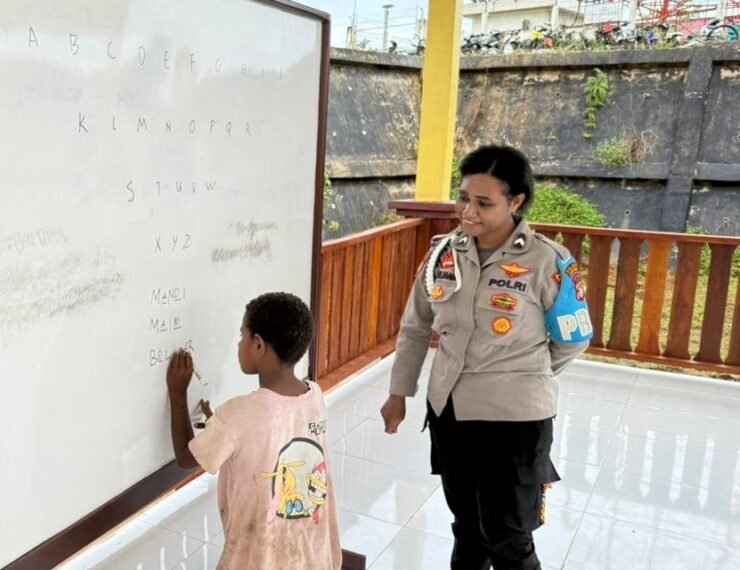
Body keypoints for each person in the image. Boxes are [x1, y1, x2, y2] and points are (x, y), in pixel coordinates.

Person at [380, 145, 593, 570]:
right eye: (463, 198)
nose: (468, 211)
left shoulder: (546, 261)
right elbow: (415, 326)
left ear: (515, 202)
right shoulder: (443, 253)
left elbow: (573, 338)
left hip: (515, 423)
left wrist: (524, 375)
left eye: (483, 203)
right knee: (467, 529)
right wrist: (398, 392)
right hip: (451, 413)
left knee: (509, 538)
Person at [166, 292, 342, 569]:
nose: (238, 344)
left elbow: (185, 458)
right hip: (311, 557)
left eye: (242, 336)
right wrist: (218, 423)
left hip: (257, 560)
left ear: (258, 345)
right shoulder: (314, 395)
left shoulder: (237, 415)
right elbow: (270, 432)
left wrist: (177, 393)